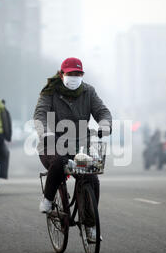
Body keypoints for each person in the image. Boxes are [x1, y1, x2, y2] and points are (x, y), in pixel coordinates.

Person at [33, 57, 112, 241]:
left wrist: (104, 125)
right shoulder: (49, 92)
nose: (74, 77)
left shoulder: (89, 91)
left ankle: (90, 225)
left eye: (78, 74)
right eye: (70, 74)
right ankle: (48, 199)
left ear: (82, 75)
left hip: (80, 147)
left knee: (91, 178)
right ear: (62, 74)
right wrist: (45, 132)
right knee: (59, 161)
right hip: (51, 145)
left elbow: (102, 111)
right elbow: (40, 114)